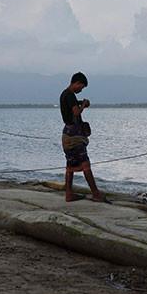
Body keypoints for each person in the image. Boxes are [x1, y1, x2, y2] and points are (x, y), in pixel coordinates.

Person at [60, 72, 107, 203]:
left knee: (70, 165)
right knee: (85, 164)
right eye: (81, 87)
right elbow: (75, 112)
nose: (81, 89)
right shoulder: (69, 95)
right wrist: (83, 105)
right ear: (76, 83)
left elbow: (72, 108)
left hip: (67, 135)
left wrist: (82, 103)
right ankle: (96, 194)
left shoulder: (65, 95)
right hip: (74, 136)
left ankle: (69, 194)